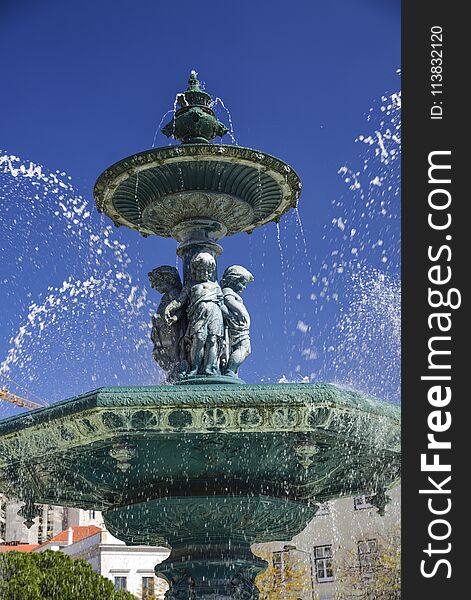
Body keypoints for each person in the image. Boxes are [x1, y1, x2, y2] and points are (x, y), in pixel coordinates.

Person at [165, 252, 226, 377]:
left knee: (212, 340)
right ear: (194, 270)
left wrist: (231, 316)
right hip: (198, 315)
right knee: (198, 339)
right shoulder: (191, 286)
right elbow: (179, 301)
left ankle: (209, 367)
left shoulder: (216, 287)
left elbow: (222, 304)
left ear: (211, 271)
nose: (203, 273)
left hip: (215, 314)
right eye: (200, 270)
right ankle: (195, 367)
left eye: (206, 271)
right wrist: (169, 308)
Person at [148, 266, 187, 378]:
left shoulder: (174, 293)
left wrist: (175, 318)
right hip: (162, 327)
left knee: (171, 349)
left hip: (170, 327)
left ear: (168, 280)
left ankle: (176, 367)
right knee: (160, 351)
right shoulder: (167, 295)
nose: (153, 286)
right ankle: (173, 369)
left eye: (157, 283)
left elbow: (179, 308)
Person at [220, 265, 254, 377]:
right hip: (236, 326)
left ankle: (230, 369)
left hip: (238, 325)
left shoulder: (230, 291)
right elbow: (228, 300)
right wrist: (240, 311)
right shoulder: (227, 291)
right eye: (242, 283)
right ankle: (230, 370)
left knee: (242, 348)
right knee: (244, 348)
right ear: (232, 280)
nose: (244, 287)